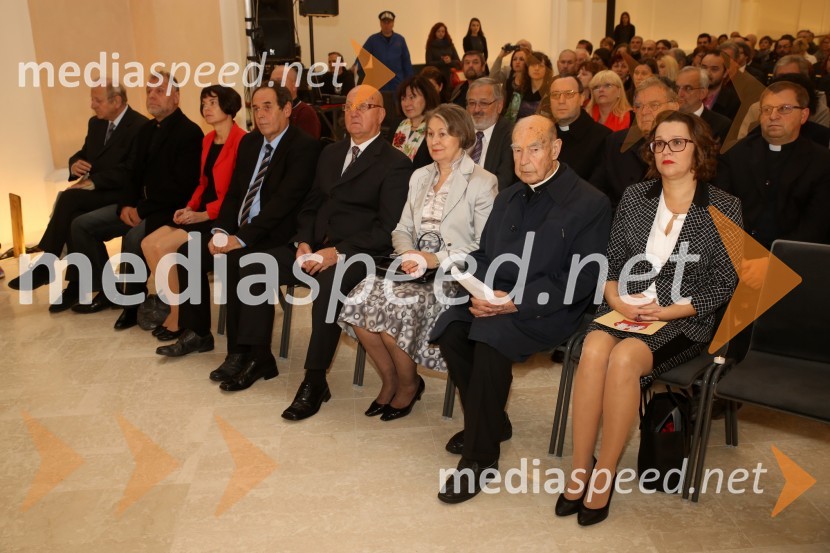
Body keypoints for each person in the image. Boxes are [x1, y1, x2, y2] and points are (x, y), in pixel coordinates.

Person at [560, 110, 742, 526]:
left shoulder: (723, 206)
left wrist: (669, 310)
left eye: (678, 142)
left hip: (683, 319)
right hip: (626, 308)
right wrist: (617, 301)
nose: (666, 151)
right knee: (592, 349)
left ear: (699, 150)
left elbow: (724, 282)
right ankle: (579, 468)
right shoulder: (635, 197)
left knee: (624, 360)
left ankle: (603, 478)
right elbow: (610, 263)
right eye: (659, 143)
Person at [433, 115, 612, 504]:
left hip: (551, 308)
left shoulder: (590, 202)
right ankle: (491, 420)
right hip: (497, 298)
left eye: (534, 148)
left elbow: (583, 278)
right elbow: (484, 254)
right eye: (516, 150)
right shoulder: (510, 196)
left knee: (488, 336)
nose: (524, 158)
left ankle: (480, 458)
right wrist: (474, 289)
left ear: (555, 149)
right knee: (450, 327)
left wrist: (515, 301)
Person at [258, 85, 412, 419]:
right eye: (349, 107)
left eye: (365, 106)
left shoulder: (395, 164)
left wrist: (336, 252)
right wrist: (303, 241)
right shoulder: (330, 153)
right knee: (256, 265)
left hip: (360, 252)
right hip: (316, 247)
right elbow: (313, 203)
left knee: (328, 289)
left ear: (381, 115)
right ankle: (254, 354)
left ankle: (314, 381)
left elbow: (386, 228)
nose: (354, 113)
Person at [339, 104, 497, 420]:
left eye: (443, 134)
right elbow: (401, 228)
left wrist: (433, 259)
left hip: (452, 274)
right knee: (358, 304)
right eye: (430, 134)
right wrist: (410, 254)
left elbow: (482, 244)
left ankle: (409, 386)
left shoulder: (482, 181)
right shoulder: (419, 176)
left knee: (391, 319)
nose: (434, 141)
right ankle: (391, 380)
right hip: (410, 266)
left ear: (462, 136)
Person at [157, 86, 321, 378]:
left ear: (286, 110)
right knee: (190, 252)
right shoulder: (251, 143)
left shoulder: (304, 146)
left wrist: (240, 239)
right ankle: (198, 332)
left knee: (237, 260)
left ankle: (241, 351)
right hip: (243, 226)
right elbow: (235, 195)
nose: (260, 114)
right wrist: (221, 231)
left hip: (277, 233)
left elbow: (283, 203)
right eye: (255, 108)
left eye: (268, 106)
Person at [65, 72, 203, 329]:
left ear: (176, 96)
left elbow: (181, 188)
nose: (152, 96)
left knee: (133, 238)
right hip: (137, 206)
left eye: (159, 91)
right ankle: (108, 289)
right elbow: (132, 174)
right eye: (149, 91)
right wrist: (126, 205)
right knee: (82, 225)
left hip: (167, 211)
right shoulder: (146, 130)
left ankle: (132, 301)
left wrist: (141, 210)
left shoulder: (189, 132)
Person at [9, 81, 148, 298]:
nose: (92, 105)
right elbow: (84, 154)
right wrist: (74, 164)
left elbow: (131, 171)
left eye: (97, 100)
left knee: (69, 198)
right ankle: (79, 284)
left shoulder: (140, 126)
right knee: (73, 214)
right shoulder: (96, 123)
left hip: (124, 194)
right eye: (92, 99)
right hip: (98, 192)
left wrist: (93, 182)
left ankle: (48, 262)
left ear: (117, 101)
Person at [139, 85, 245, 342]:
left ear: (229, 107)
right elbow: (202, 183)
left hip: (223, 219)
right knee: (148, 243)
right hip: (200, 212)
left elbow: (237, 195)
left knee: (163, 247)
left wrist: (203, 215)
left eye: (212, 103)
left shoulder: (242, 140)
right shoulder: (208, 140)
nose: (206, 109)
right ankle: (177, 310)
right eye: (203, 104)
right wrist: (189, 207)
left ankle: (178, 316)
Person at [716, 81, 830, 250]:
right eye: (767, 109)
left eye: (784, 109)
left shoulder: (822, 162)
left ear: (804, 115)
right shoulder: (735, 155)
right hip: (737, 255)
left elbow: (816, 226)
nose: (773, 116)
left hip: (794, 258)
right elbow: (721, 213)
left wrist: (775, 260)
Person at [591, 77, 680, 209]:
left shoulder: (686, 145)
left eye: (654, 105)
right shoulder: (615, 142)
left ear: (674, 107)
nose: (644, 112)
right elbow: (596, 190)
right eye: (638, 106)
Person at [546, 75, 612, 180]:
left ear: (582, 98)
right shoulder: (545, 136)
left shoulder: (603, 137)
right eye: (555, 95)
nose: (561, 101)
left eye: (569, 94)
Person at [465, 78, 515, 190]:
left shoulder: (511, 135)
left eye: (483, 103)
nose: (476, 109)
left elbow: (504, 181)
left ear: (499, 106)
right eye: (472, 103)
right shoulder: (460, 132)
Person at [390, 75, 441, 168]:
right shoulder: (396, 125)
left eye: (412, 97)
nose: (407, 103)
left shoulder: (437, 129)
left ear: (427, 97)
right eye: (403, 98)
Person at [358, 11, 414, 93]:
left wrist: (410, 82)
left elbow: (406, 62)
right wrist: (355, 67)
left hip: (397, 83)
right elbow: (362, 56)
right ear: (380, 23)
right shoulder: (373, 40)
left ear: (393, 23)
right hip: (379, 84)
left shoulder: (400, 40)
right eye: (384, 22)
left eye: (389, 22)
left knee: (397, 105)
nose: (386, 25)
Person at [675, 66, 731, 145]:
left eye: (688, 88)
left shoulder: (721, 125)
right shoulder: (668, 119)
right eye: (677, 88)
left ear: (702, 93)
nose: (680, 94)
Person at [270, 65, 321, 139]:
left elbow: (306, 147)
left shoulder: (305, 113)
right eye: (271, 82)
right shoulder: (267, 111)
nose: (274, 85)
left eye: (280, 81)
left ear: (294, 86)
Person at [501, 46, 531, 123]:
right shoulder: (508, 82)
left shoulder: (531, 83)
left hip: (526, 120)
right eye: (514, 59)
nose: (517, 62)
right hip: (508, 121)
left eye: (521, 59)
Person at [519, 52, 553, 119]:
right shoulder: (519, 90)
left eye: (541, 66)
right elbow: (511, 117)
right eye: (533, 65)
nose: (537, 68)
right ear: (527, 68)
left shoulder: (551, 91)